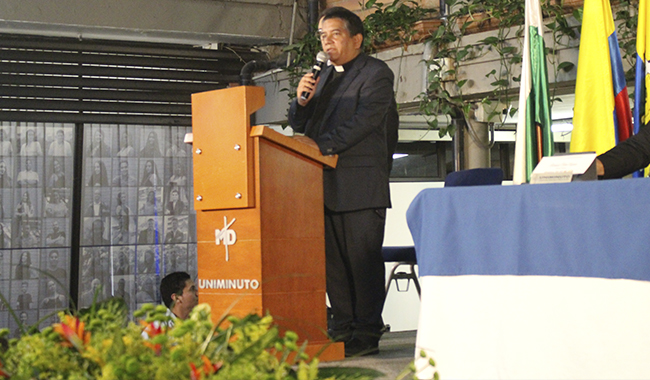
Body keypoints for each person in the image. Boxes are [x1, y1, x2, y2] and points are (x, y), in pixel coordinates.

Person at [288, 7, 398, 357]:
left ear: (356, 38)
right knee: (334, 265)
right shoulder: (323, 77)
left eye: (334, 34)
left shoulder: (376, 74)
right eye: (322, 35)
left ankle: (366, 333)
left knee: (361, 262)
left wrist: (320, 145)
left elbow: (365, 121)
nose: (327, 41)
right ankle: (342, 330)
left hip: (361, 185)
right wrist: (301, 99)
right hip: (323, 183)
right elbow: (301, 125)